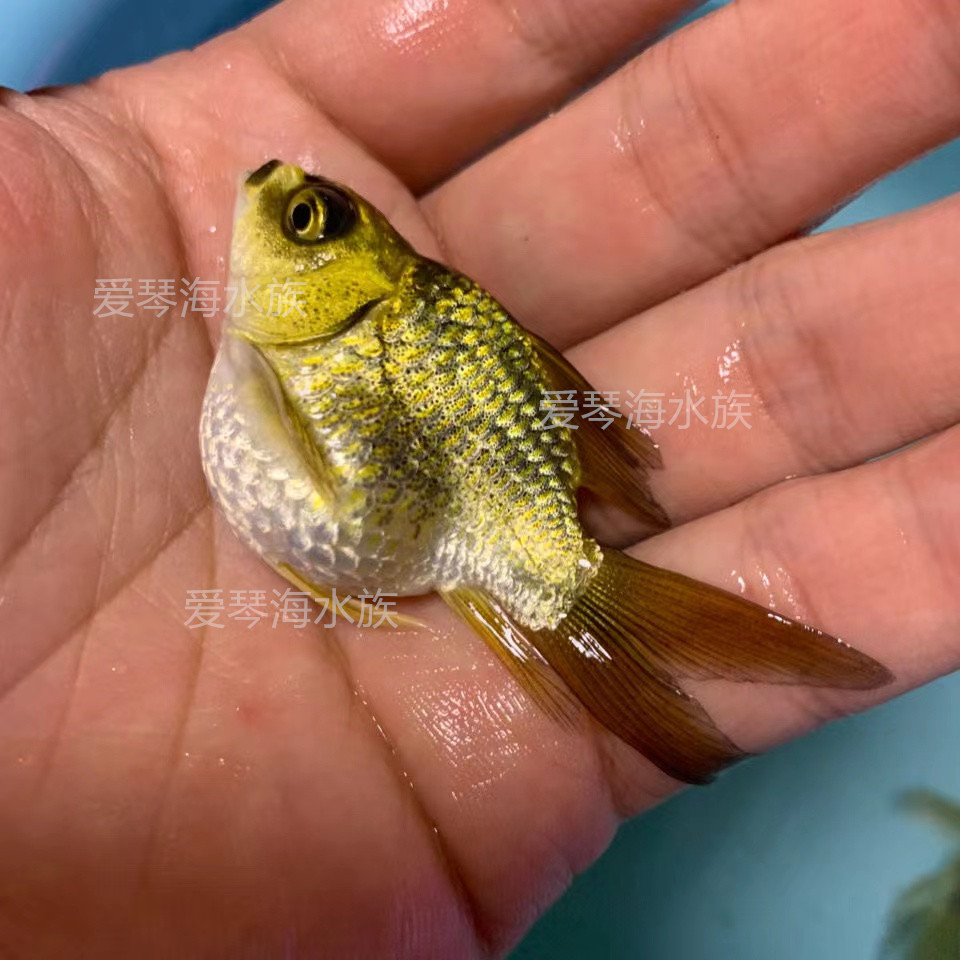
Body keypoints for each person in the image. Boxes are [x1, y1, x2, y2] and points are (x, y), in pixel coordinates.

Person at [1, 0, 958, 954]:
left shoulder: (317, 338)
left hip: (463, 536)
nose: (262, 197)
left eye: (302, 221)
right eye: (307, 214)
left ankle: (598, 604)